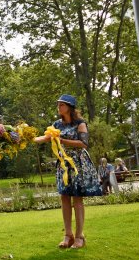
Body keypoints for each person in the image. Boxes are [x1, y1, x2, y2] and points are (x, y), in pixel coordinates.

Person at [34, 94, 102, 249]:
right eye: (58, 105)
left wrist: (62, 141)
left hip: (78, 164)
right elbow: (45, 138)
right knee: (64, 198)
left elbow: (83, 143)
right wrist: (27, 138)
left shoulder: (80, 123)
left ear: (70, 107)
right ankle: (68, 235)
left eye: (61, 105)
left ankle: (79, 236)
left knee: (77, 199)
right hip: (63, 164)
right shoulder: (57, 124)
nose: (59, 108)